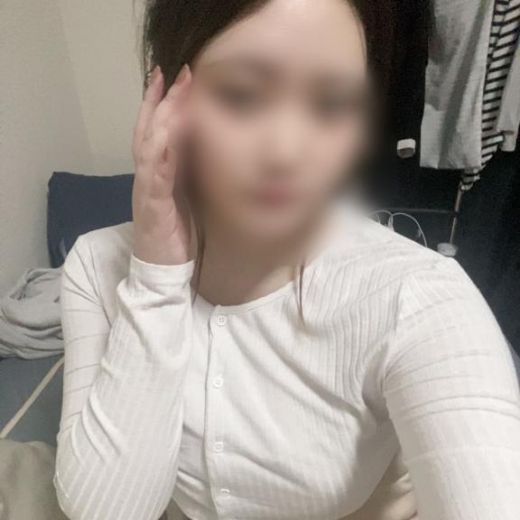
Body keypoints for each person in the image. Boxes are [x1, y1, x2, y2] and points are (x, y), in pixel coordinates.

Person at [53, 1, 520, 519]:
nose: (286, 152)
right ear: (161, 94)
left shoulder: (416, 298)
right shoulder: (97, 264)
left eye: (332, 104)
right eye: (242, 95)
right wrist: (156, 277)